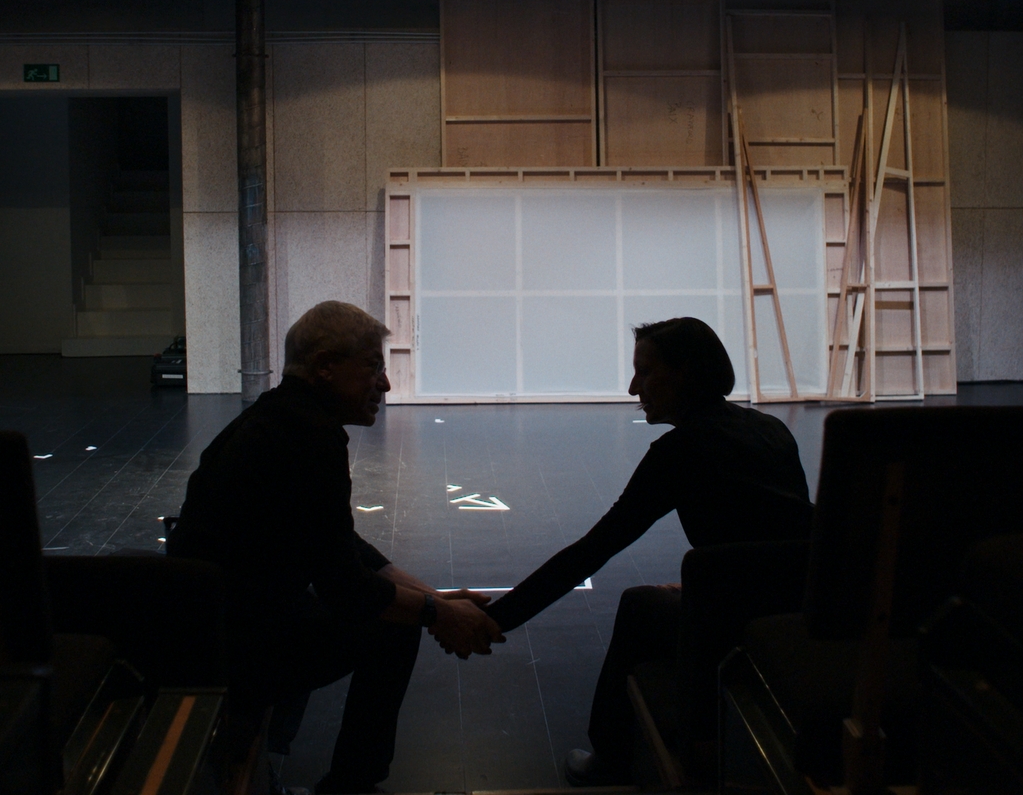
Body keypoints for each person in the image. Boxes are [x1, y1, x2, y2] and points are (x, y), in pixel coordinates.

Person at [169, 300, 504, 794]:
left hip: (214, 620)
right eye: (372, 366)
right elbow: (347, 590)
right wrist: (438, 614)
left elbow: (334, 542)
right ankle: (352, 785)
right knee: (391, 630)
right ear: (325, 367)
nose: (385, 384)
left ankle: (280, 761)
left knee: (378, 615)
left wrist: (430, 597)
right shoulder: (310, 439)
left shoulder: (278, 417)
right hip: (232, 645)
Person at [477, 317, 815, 786]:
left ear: (685, 373)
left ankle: (612, 756)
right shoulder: (771, 429)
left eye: (646, 372)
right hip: (799, 605)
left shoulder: (679, 452)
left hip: (732, 619)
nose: (634, 387)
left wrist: (497, 619)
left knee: (640, 606)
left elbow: (594, 550)